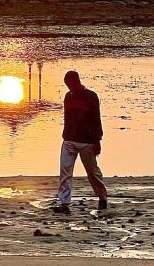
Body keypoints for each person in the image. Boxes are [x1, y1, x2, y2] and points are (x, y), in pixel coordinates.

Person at [53, 70, 108, 213]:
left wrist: (97, 140)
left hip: (87, 141)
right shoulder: (68, 97)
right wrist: (65, 134)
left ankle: (102, 197)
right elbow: (67, 118)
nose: (69, 88)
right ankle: (64, 202)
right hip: (69, 139)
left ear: (76, 82)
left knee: (92, 172)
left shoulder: (91, 96)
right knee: (65, 170)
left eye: (70, 84)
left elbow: (96, 119)